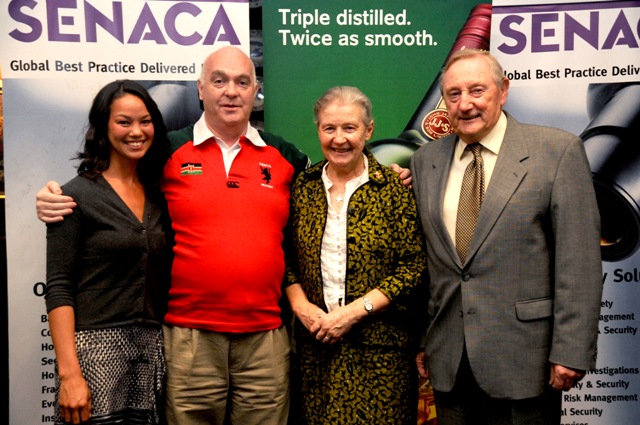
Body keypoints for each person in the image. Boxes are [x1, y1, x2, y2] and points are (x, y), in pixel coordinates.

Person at [36, 47, 412, 425]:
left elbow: (335, 182)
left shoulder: (287, 156)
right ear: (201, 89)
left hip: (266, 337)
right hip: (189, 339)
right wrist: (57, 196)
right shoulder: (165, 150)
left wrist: (387, 176)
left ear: (255, 91)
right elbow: (116, 183)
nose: (231, 91)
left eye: (242, 82)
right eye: (219, 81)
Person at [410, 48, 603, 424]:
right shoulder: (426, 161)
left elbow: (578, 262)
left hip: (525, 359)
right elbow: (428, 262)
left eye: (477, 91)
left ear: (503, 90)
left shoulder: (556, 151)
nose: (465, 104)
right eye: (454, 94)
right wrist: (423, 339)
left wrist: (571, 350)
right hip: (449, 358)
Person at [284, 86, 427, 424]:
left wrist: (352, 314)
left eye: (350, 128)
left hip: (382, 354)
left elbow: (413, 268)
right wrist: (301, 306)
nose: (339, 139)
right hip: (317, 351)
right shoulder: (302, 188)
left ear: (369, 130)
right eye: (329, 128)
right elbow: (285, 258)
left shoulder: (394, 189)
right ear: (318, 129)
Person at [45, 80, 172, 425]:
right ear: (102, 128)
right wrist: (70, 375)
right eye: (124, 122)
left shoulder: (160, 195)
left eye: (145, 121)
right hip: (93, 354)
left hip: (151, 352)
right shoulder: (74, 197)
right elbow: (58, 287)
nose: (136, 131)